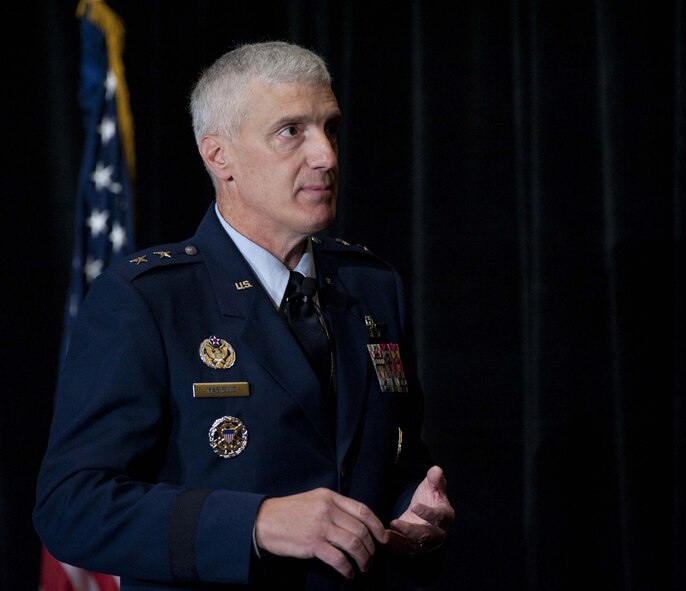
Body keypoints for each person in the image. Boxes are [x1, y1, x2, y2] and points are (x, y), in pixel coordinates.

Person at [33, 40, 454, 590]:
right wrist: (256, 522)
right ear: (218, 156)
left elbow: (390, 460)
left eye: (330, 128)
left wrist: (412, 509)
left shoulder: (370, 286)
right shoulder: (148, 299)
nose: (326, 155)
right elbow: (72, 507)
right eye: (291, 132)